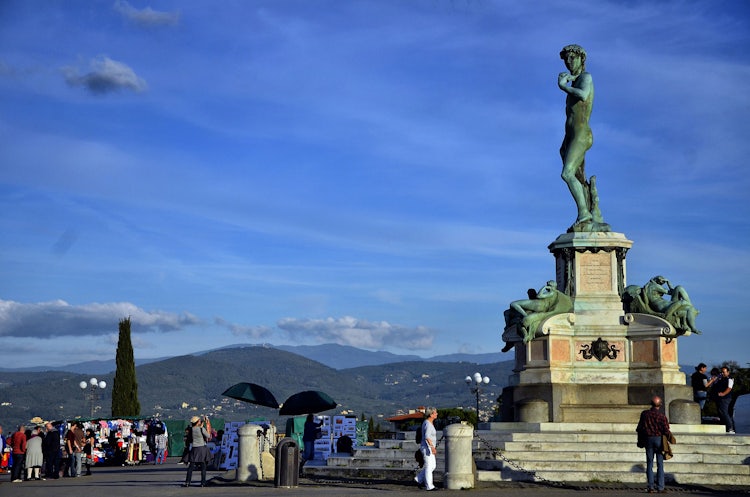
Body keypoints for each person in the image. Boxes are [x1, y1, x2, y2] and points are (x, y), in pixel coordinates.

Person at [558, 44, 595, 227]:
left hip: (581, 135)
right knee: (578, 178)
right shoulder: (575, 80)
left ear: (581, 59)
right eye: (566, 59)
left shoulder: (585, 78)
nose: (568, 62)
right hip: (572, 136)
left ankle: (584, 213)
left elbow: (583, 94)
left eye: (572, 57)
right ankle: (587, 210)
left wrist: (563, 87)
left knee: (567, 173)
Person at [636, 396, 671, 493]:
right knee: (660, 464)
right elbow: (666, 430)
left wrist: (640, 440)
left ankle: (650, 487)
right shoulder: (662, 416)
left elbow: (639, 428)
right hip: (659, 439)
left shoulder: (644, 414)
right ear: (660, 405)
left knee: (649, 463)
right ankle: (660, 487)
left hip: (648, 439)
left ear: (651, 404)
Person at [183, 415, 211, 487]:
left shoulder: (191, 429)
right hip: (201, 449)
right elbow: (208, 436)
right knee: (203, 467)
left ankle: (187, 482)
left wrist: (201, 424)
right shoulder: (201, 429)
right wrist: (205, 424)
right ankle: (203, 482)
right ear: (198, 422)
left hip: (194, 448)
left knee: (191, 467)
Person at [415, 407, 438, 491]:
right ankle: (429, 486)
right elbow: (427, 437)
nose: (437, 414)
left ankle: (419, 478)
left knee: (433, 466)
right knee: (429, 466)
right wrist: (432, 447)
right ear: (431, 414)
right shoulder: (428, 424)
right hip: (426, 448)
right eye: (435, 413)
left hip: (428, 447)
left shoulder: (428, 423)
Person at [715, 366, 736, 434]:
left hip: (726, 398)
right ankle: (725, 427)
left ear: (728, 372)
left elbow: (729, 388)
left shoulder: (729, 379)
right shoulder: (720, 379)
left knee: (724, 412)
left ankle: (730, 428)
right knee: (721, 412)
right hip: (720, 398)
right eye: (722, 372)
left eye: (724, 372)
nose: (722, 373)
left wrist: (723, 394)